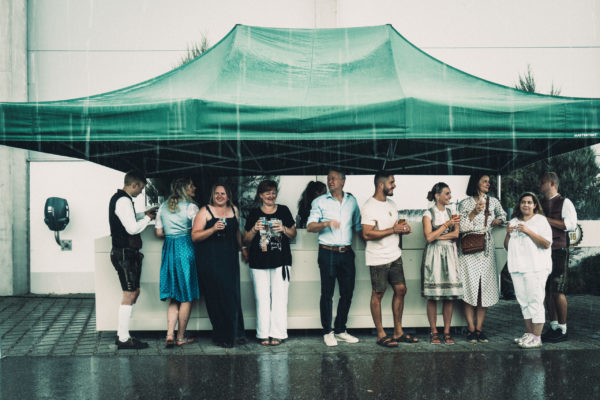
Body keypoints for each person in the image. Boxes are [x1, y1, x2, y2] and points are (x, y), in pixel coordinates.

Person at [361, 171, 417, 348]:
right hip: (378, 257)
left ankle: (398, 332)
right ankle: (381, 334)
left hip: (395, 254)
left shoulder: (392, 204)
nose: (394, 185)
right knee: (378, 294)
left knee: (401, 289)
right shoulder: (369, 206)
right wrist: (393, 230)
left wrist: (402, 229)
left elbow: (393, 227)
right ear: (381, 185)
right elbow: (367, 234)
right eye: (391, 182)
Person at [307, 169, 362, 346]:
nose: (330, 181)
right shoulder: (319, 201)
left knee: (347, 293)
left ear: (343, 181)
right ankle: (327, 331)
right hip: (327, 252)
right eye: (328, 179)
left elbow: (358, 227)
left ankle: (340, 330)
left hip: (347, 253)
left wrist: (376, 239)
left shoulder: (352, 201)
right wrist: (326, 223)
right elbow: (310, 227)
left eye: (334, 179)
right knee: (327, 294)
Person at [191, 183, 247, 348]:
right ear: (212, 196)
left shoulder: (234, 210)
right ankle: (222, 336)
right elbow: (195, 236)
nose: (220, 196)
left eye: (223, 193)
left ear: (228, 196)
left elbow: (236, 232)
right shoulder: (205, 211)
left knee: (232, 295)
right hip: (210, 260)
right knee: (216, 297)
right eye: (217, 193)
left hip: (229, 259)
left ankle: (237, 333)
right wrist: (213, 229)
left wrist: (243, 247)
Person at [244, 180, 297, 346]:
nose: (271, 196)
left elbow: (293, 234)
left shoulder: (283, 210)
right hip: (258, 262)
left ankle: (278, 334)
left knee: (280, 299)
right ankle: (263, 334)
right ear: (260, 195)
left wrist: (283, 229)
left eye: (273, 192)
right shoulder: (254, 213)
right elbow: (246, 239)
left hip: (281, 261)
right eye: (267, 193)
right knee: (262, 299)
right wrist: (254, 229)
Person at [108, 170, 156, 349]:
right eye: (141, 188)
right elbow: (132, 228)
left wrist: (144, 214)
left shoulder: (122, 199)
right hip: (124, 253)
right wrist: (148, 219)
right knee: (129, 294)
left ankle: (124, 334)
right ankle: (123, 338)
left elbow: (128, 218)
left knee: (134, 292)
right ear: (134, 185)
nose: (141, 191)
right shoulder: (123, 201)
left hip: (125, 253)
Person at [458, 174, 506, 343]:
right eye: (484, 181)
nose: (488, 184)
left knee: (483, 289)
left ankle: (479, 329)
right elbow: (461, 227)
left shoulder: (493, 202)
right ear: (476, 183)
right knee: (469, 287)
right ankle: (470, 328)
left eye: (489, 182)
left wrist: (499, 220)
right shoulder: (465, 203)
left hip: (486, 248)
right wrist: (474, 212)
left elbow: (503, 215)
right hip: (469, 249)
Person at [154, 177, 201, 348]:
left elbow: (159, 233)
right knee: (186, 296)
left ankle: (169, 334)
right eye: (191, 185)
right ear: (184, 189)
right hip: (185, 249)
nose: (194, 188)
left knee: (174, 296)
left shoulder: (163, 207)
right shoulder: (191, 207)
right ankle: (180, 337)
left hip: (169, 250)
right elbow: (198, 230)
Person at [504, 192, 552, 348]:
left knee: (535, 301)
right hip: (517, 267)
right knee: (524, 302)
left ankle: (537, 337)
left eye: (529, 202)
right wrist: (508, 234)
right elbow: (507, 246)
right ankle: (530, 334)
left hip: (535, 267)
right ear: (519, 205)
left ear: (535, 205)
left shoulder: (540, 220)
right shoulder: (514, 221)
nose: (526, 205)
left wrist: (528, 231)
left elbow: (546, 243)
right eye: (523, 202)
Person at [421, 182, 462, 345]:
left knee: (449, 296)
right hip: (434, 255)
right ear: (437, 196)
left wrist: (437, 235)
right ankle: (434, 331)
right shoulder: (428, 213)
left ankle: (447, 331)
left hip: (450, 254)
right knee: (433, 296)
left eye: (450, 193)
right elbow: (428, 237)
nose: (450, 197)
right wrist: (446, 226)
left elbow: (456, 234)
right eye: (447, 193)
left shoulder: (452, 212)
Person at [539, 172, 578, 342]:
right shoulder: (540, 203)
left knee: (557, 290)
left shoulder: (565, 202)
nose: (539, 185)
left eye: (542, 182)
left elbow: (570, 225)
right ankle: (554, 326)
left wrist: (545, 219)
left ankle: (563, 329)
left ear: (552, 183)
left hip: (558, 250)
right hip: (542, 251)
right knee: (547, 291)